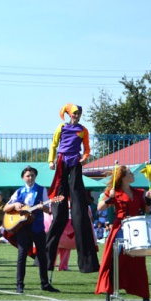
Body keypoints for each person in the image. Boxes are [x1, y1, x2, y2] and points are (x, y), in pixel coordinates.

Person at [47, 103, 99, 274]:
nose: (77, 116)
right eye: (75, 114)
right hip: (62, 160)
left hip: (75, 161)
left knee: (77, 194)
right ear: (69, 114)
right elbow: (54, 145)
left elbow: (87, 148)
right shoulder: (61, 128)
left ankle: (78, 205)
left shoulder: (83, 130)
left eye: (79, 114)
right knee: (60, 192)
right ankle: (47, 259)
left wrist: (85, 158)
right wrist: (51, 161)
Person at [95, 164, 151, 301]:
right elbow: (99, 207)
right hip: (120, 228)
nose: (132, 174)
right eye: (129, 172)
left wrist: (148, 200)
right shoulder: (114, 192)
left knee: (139, 264)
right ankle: (108, 300)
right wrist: (110, 198)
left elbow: (146, 210)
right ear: (123, 177)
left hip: (136, 229)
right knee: (114, 263)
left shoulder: (139, 192)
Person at [4, 165, 60, 294]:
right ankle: (19, 284)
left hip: (37, 226)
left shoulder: (42, 190)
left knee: (41, 255)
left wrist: (43, 208)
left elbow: (49, 209)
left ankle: (45, 283)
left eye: (32, 176)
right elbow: (6, 208)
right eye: (28, 176)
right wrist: (15, 204)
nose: (30, 178)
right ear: (23, 178)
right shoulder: (19, 191)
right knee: (22, 255)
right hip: (22, 227)